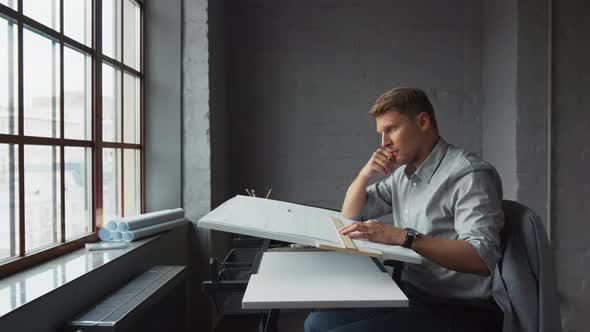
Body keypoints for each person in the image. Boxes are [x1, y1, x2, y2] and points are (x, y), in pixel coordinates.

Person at [304, 87, 504, 332]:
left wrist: (403, 237)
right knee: (316, 323)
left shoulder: (468, 174)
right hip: (415, 295)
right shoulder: (404, 176)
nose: (384, 142)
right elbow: (351, 215)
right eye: (381, 133)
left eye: (392, 129)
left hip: (462, 307)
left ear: (422, 121)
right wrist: (365, 174)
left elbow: (482, 258)